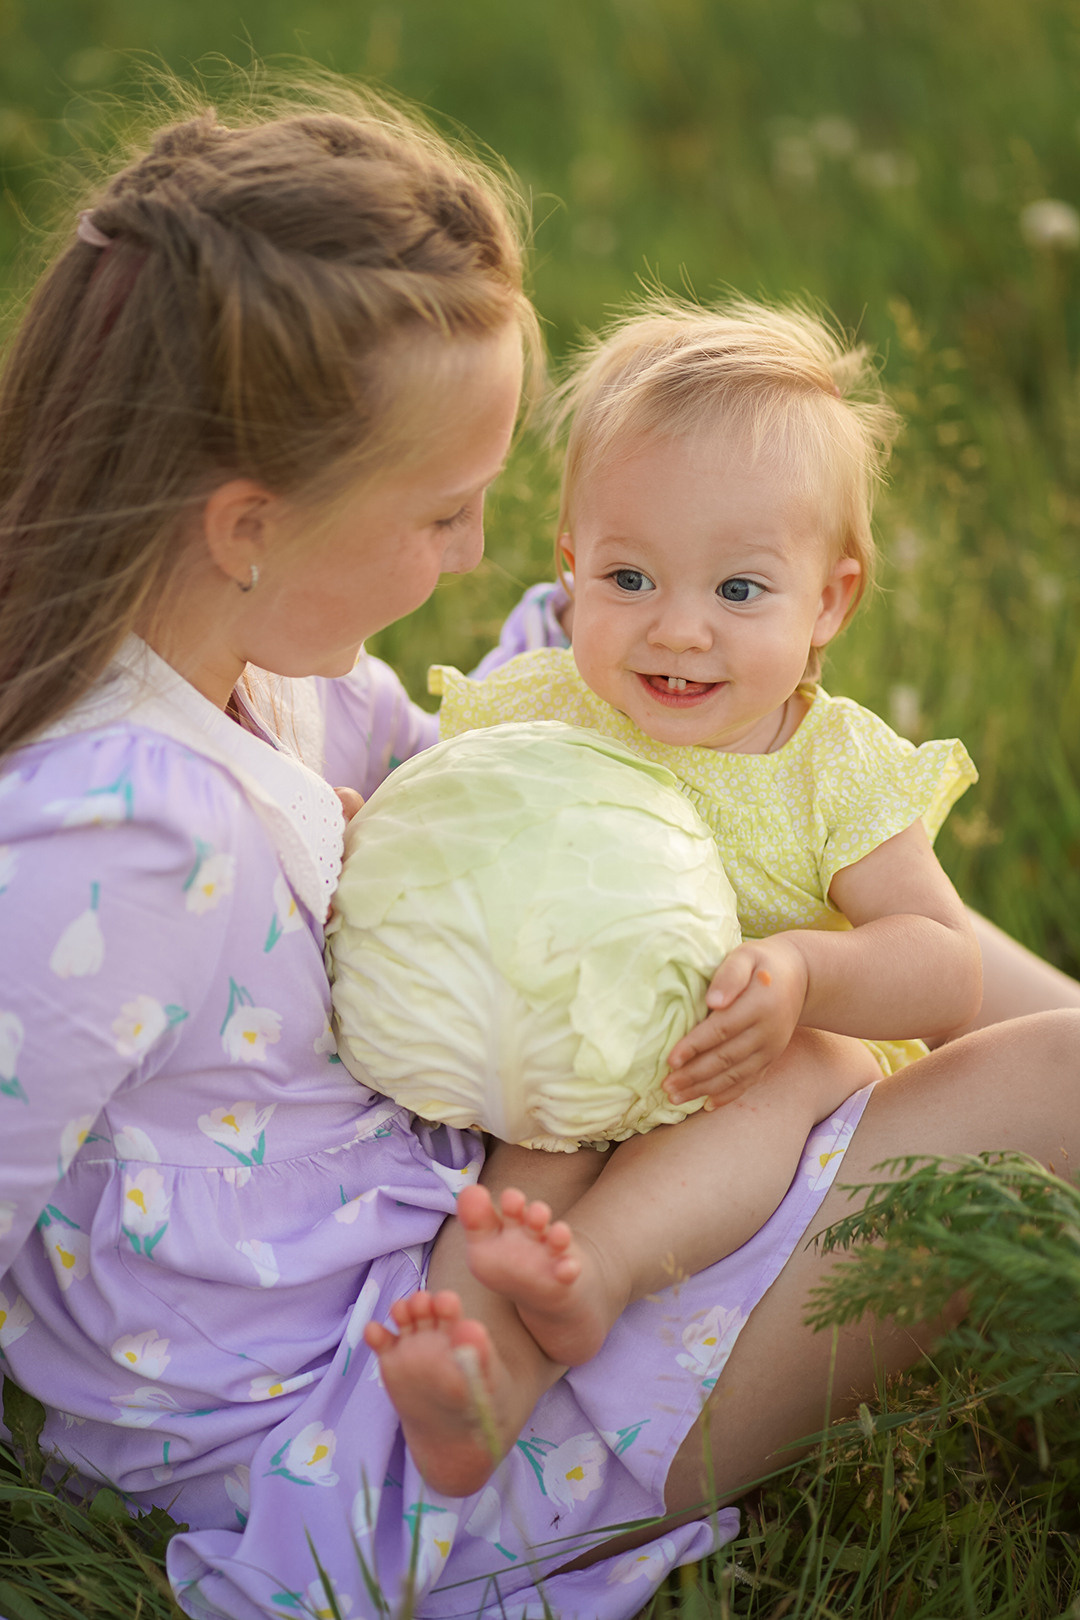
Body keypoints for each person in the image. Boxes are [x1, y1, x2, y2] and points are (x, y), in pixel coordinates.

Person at [0, 83, 1078, 1620]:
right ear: (249, 525)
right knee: (1028, 1088)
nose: (471, 551)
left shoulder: (286, 673)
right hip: (375, 1421)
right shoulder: (108, 839)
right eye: (446, 511)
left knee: (906, 971)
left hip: (470, 1225)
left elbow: (504, 830)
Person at [379, 300, 978, 1432]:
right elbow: (444, 826)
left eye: (739, 591)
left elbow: (949, 972)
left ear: (829, 603)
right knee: (532, 1150)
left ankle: (594, 1277)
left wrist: (804, 972)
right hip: (586, 1057)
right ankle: (471, 1387)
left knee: (796, 1068)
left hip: (755, 1073)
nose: (679, 631)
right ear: (571, 573)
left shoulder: (832, 767)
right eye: (631, 579)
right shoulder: (542, 710)